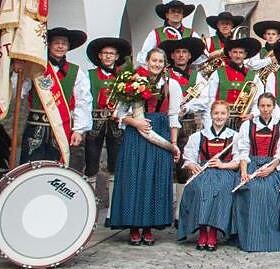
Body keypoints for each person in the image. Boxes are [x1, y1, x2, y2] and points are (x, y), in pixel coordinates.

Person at [110, 48, 182, 246]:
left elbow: (174, 116)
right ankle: (133, 226)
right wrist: (135, 123)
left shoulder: (172, 85)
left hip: (160, 130)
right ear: (147, 61)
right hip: (136, 133)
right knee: (134, 176)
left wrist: (174, 144)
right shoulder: (132, 81)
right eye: (154, 60)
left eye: (160, 61)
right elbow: (119, 113)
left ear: (165, 63)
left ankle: (149, 227)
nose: (157, 64)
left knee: (154, 178)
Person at [18, 27, 90, 165]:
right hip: (35, 127)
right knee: (30, 167)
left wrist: (79, 130)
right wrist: (19, 70)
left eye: (64, 43)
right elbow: (20, 90)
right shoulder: (35, 67)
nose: (60, 46)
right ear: (49, 45)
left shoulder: (76, 71)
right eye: (56, 42)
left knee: (56, 168)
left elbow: (83, 101)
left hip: (61, 128)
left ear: (68, 47)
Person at [178, 100, 240, 251]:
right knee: (199, 188)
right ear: (211, 115)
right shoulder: (198, 136)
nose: (219, 117)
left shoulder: (235, 136)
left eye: (223, 113)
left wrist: (222, 165)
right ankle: (202, 230)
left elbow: (238, 161)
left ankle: (212, 231)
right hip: (203, 171)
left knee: (221, 190)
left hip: (225, 172)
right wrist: (192, 165)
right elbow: (189, 158)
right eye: (216, 113)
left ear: (228, 116)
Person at [83, 36, 132, 223]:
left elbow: (128, 101)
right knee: (91, 164)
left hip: (115, 123)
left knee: (115, 164)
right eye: (105, 53)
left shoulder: (123, 76)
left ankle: (112, 211)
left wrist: (120, 112)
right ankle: (90, 210)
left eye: (111, 53)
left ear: (117, 56)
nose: (108, 56)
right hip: (95, 123)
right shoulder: (88, 75)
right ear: (99, 56)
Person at [159, 36, 208, 218]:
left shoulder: (198, 77)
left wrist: (186, 106)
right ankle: (162, 210)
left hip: (188, 125)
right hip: (166, 123)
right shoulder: (163, 74)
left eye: (184, 52)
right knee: (164, 165)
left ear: (189, 56)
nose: (181, 55)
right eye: (177, 52)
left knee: (184, 166)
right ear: (172, 55)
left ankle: (180, 212)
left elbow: (204, 100)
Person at [233, 92, 280, 252]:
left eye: (268, 106)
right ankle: (250, 238)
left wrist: (271, 168)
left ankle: (269, 239)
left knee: (269, 191)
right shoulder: (247, 125)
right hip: (251, 164)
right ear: (258, 107)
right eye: (262, 106)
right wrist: (243, 172)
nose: (265, 109)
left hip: (272, 165)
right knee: (250, 188)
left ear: (274, 107)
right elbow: (243, 151)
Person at [204, 36, 262, 126]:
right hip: (220, 120)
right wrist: (209, 123)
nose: (238, 55)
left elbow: (258, 100)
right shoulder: (218, 73)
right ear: (230, 54)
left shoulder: (253, 76)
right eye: (235, 52)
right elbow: (210, 99)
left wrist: (252, 114)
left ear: (245, 55)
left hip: (243, 122)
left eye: (241, 52)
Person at [136, 0, 200, 66]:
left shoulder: (191, 33)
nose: (176, 14)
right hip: (162, 74)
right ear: (167, 15)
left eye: (179, 12)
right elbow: (144, 56)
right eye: (173, 11)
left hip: (186, 74)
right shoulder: (155, 33)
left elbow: (200, 57)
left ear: (182, 16)